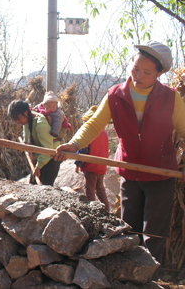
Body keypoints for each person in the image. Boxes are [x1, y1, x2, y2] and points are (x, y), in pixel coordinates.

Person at [55, 40, 185, 269]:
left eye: (146, 72)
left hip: (160, 176)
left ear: (160, 73)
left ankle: (150, 278)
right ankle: (127, 276)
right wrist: (74, 144)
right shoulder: (116, 95)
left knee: (153, 234)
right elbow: (94, 124)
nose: (138, 75)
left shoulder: (170, 98)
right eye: (135, 68)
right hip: (130, 173)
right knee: (129, 229)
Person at [8, 100, 62, 185]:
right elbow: (26, 133)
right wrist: (25, 144)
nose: (17, 122)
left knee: (44, 189)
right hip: (40, 158)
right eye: (15, 120)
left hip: (50, 159)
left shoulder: (40, 123)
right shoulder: (27, 120)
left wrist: (38, 167)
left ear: (25, 112)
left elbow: (48, 150)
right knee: (33, 186)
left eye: (18, 118)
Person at [74, 106, 110, 211]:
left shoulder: (89, 134)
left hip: (91, 166)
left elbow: (83, 149)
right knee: (100, 189)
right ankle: (107, 210)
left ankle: (92, 211)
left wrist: (78, 163)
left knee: (90, 190)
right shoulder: (103, 133)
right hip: (101, 166)